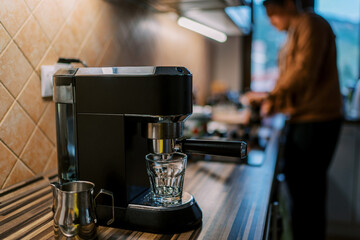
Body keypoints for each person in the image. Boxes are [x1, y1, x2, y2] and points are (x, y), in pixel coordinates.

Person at [243, 0, 343, 239]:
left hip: (317, 121)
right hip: (305, 119)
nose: (270, 20)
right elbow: (290, 77)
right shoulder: (295, 32)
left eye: (272, 13)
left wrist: (269, 96)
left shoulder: (310, 23)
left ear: (288, 4)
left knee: (308, 194)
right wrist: (273, 103)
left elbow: (303, 72)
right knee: (302, 191)